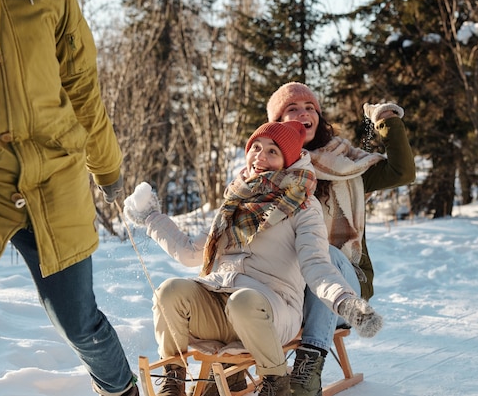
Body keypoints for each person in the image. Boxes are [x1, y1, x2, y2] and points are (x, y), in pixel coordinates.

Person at [0, 0, 137, 396]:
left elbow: (80, 81)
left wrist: (106, 164)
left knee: (78, 322)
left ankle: (121, 390)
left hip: (53, 174)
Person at [123, 121, 383, 396]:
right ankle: (173, 380)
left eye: (272, 151)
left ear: (289, 160)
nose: (260, 156)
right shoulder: (235, 200)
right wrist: (151, 217)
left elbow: (317, 265)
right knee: (169, 292)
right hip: (221, 300)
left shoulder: (303, 206)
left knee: (243, 301)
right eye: (256, 147)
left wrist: (347, 303)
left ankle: (275, 382)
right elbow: (190, 253)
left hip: (272, 309)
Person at [266, 82, 416, 396]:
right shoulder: (269, 171)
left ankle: (309, 365)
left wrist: (386, 120)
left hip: (346, 280)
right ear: (277, 123)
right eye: (292, 109)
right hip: (289, 288)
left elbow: (402, 172)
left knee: (327, 255)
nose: (303, 113)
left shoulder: (346, 165)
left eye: (310, 108)